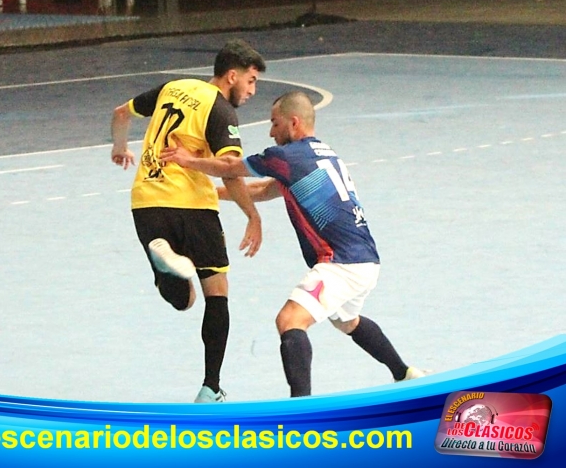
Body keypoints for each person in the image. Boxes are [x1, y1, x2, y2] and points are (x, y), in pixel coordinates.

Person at [161, 91, 425, 397]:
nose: (271, 132)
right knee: (347, 321)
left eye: (275, 123)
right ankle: (404, 373)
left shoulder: (287, 156)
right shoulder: (320, 153)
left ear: (294, 122)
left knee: (289, 320)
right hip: (365, 259)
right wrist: (208, 196)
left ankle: (302, 409)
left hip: (341, 262)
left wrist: (187, 160)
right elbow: (263, 190)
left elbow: (231, 166)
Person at [110, 39, 266, 403]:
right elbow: (229, 169)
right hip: (193, 205)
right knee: (216, 293)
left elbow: (121, 114)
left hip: (146, 202)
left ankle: (170, 266)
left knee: (184, 299)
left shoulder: (173, 87)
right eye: (251, 80)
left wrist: (119, 147)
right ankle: (211, 387)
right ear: (232, 76)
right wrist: (252, 215)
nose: (252, 90)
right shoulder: (221, 111)